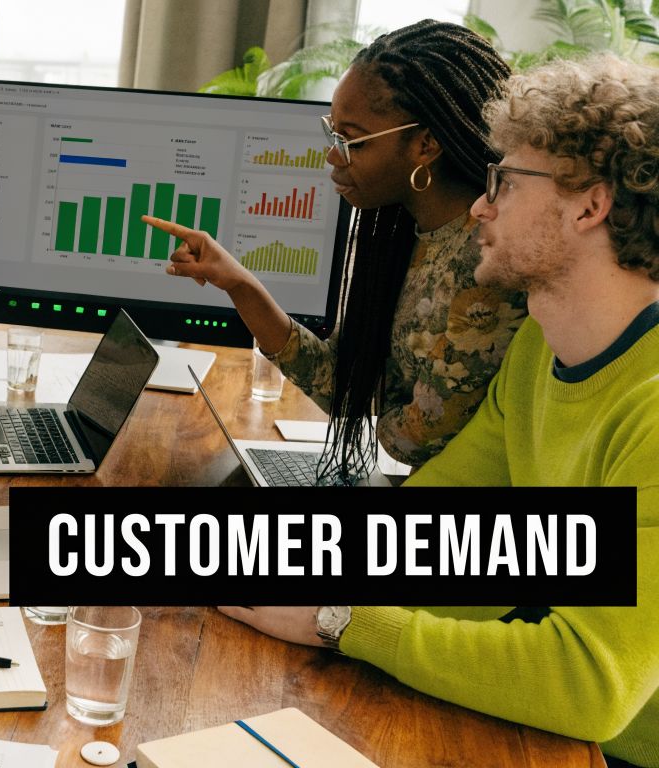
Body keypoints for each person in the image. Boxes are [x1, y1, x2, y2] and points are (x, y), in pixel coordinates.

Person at [217, 55, 659, 767]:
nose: (481, 206)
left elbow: (592, 684)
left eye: (506, 184)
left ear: (589, 205)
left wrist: (339, 618)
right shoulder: (539, 354)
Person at [148, 20, 527, 480]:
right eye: (333, 133)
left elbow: (415, 438)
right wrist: (239, 283)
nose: (333, 155)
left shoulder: (486, 261)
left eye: (351, 140)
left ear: (425, 144)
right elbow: (345, 382)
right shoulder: (404, 233)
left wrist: (380, 407)